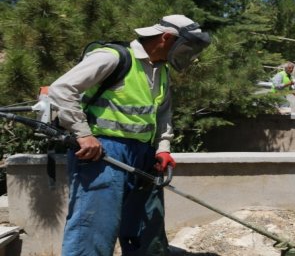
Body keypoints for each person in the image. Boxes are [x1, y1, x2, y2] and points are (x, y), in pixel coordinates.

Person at [49, 14, 210, 256]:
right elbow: (61, 89)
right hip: (102, 153)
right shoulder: (113, 57)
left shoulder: (161, 70)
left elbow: (162, 113)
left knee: (146, 229)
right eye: (186, 46)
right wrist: (83, 135)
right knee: (94, 227)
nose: (188, 53)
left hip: (144, 154)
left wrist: (163, 148)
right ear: (166, 38)